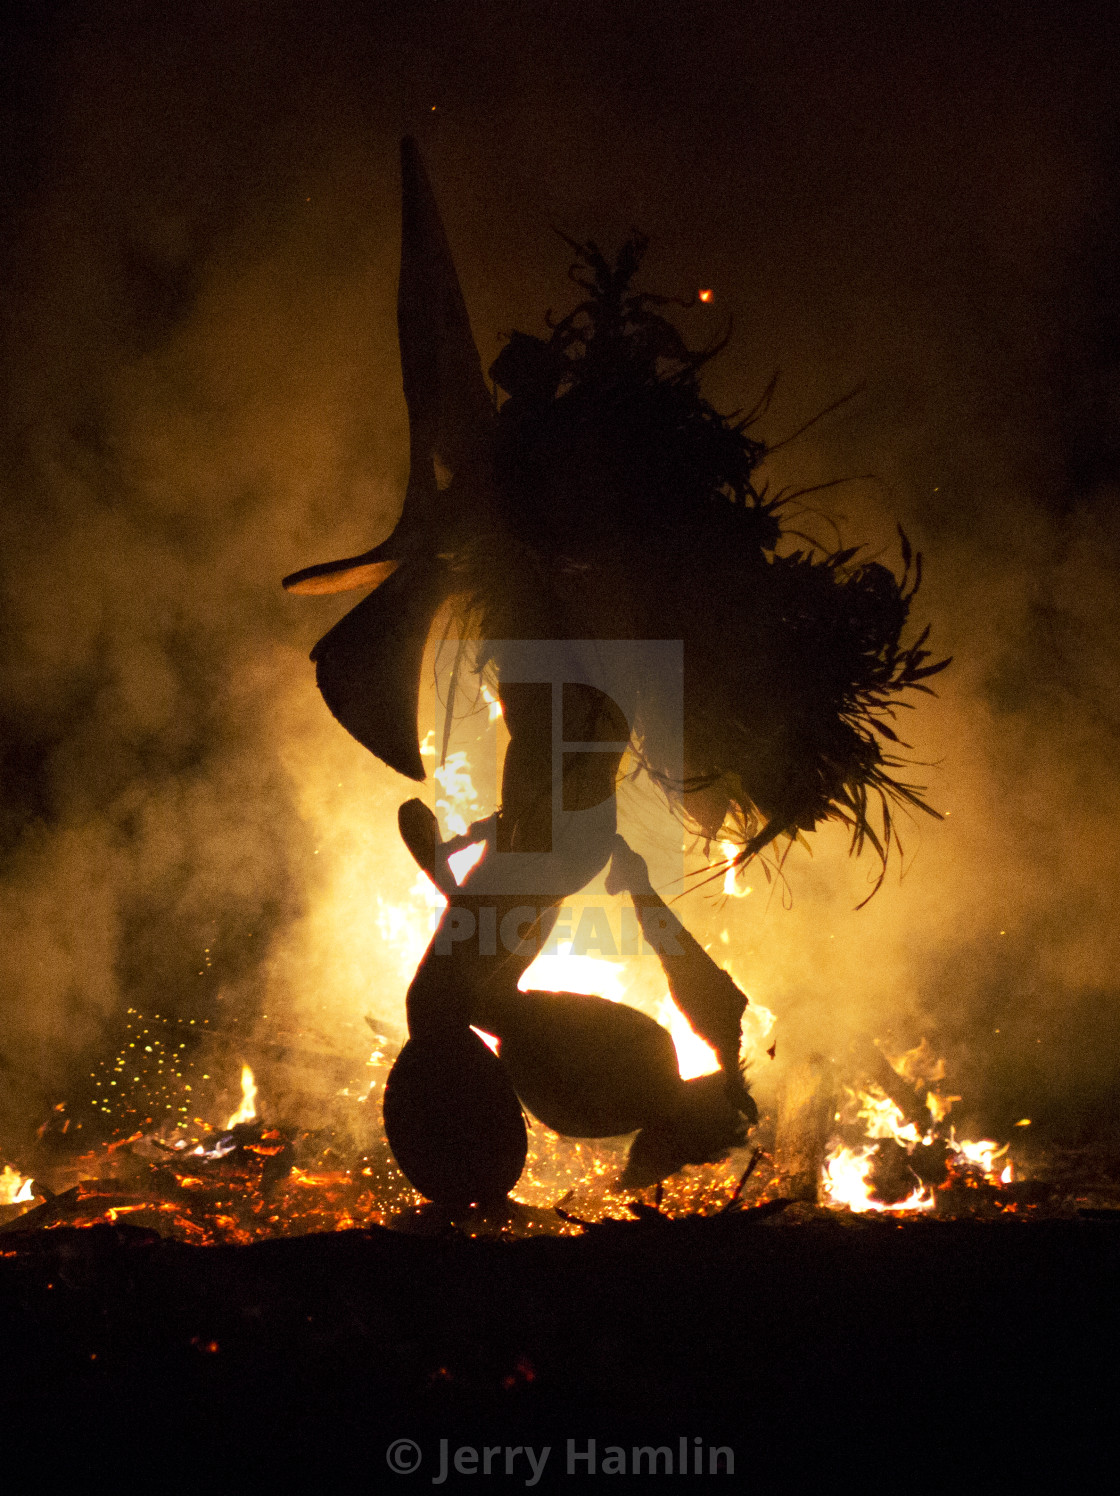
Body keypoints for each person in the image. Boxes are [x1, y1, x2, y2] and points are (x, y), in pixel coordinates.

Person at [284, 139, 947, 1206]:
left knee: (460, 988)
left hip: (562, 818)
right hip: (560, 820)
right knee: (469, 980)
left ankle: (659, 1101)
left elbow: (584, 792)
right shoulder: (567, 597)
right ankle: (676, 1092)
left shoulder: (572, 586)